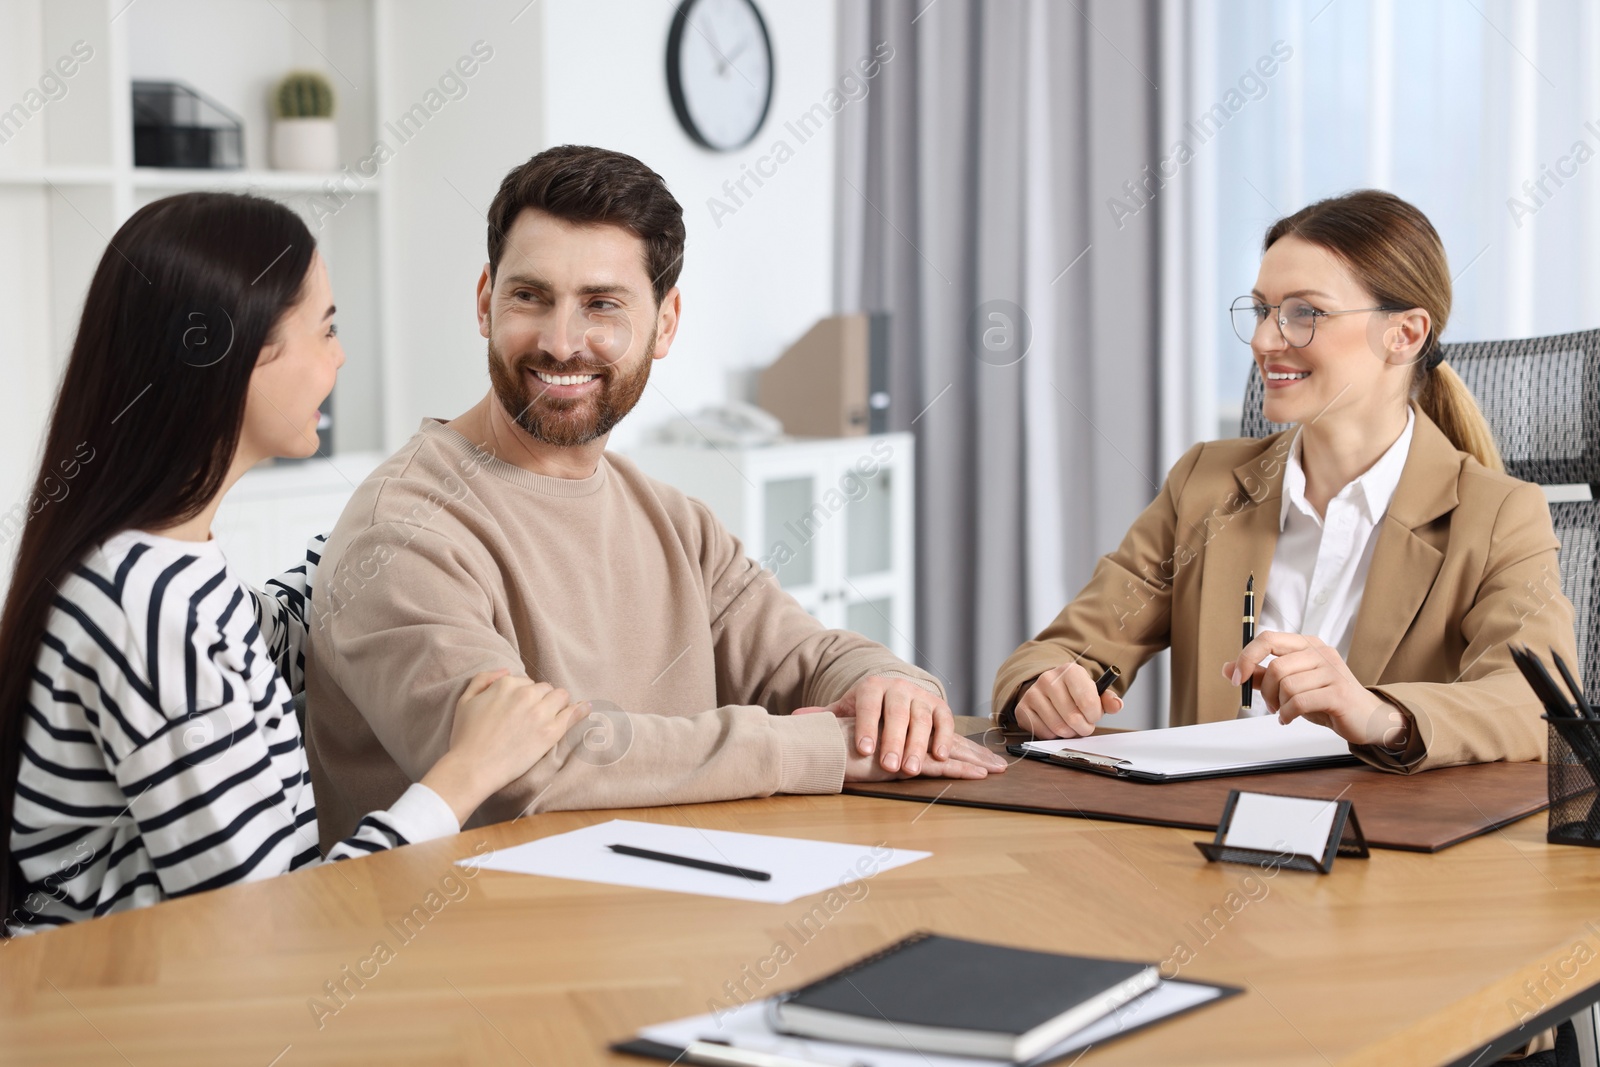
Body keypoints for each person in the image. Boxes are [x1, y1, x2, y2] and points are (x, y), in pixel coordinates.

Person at [306, 145, 1005, 847]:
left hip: (670, 913)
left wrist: (890, 687)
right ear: (486, 301)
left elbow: (805, 659)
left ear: (665, 323)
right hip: (474, 941)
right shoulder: (401, 529)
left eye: (601, 305)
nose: (560, 341)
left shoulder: (672, 519)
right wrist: (814, 749)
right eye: (531, 296)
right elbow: (518, 769)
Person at [0, 192, 585, 934]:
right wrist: (466, 772)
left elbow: (275, 635)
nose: (339, 354)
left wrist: (403, 515)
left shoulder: (168, 564)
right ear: (231, 350)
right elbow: (273, 918)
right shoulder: (142, 608)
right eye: (326, 327)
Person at [992, 189, 1579, 773]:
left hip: (1383, 847)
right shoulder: (1205, 483)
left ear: (1404, 335)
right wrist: (1044, 687)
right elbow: (1066, 646)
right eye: (1261, 310)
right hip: (1197, 837)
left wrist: (1379, 715)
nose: (1264, 341)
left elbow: (1537, 703)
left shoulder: (1501, 513)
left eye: (1305, 313)